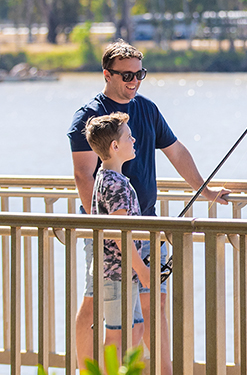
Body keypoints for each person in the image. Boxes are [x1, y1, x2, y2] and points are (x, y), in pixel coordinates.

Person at [68, 40, 231, 373]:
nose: (134, 81)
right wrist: (105, 229)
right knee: (94, 304)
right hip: (108, 232)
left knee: (153, 303)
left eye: (139, 74)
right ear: (107, 74)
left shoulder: (148, 110)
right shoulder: (89, 117)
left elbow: (177, 151)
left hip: (146, 225)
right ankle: (88, 370)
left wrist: (206, 191)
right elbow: (84, 176)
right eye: (127, 75)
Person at [84, 112, 151, 358]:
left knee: (136, 328)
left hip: (124, 274)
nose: (134, 140)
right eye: (129, 137)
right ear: (114, 146)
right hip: (117, 275)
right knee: (116, 335)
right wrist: (143, 271)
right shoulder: (117, 184)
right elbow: (120, 234)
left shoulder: (105, 177)